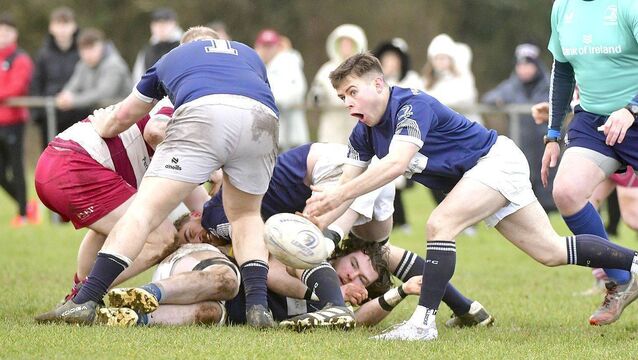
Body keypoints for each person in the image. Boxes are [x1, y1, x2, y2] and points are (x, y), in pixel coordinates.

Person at [303, 53, 638, 341]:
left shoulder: (409, 106)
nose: (347, 104)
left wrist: (340, 194)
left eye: (351, 93)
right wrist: (315, 223)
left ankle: (421, 325)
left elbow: (396, 163)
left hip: (494, 162)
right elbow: (346, 184)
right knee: (550, 251)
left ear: (378, 85)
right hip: (482, 174)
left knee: (440, 224)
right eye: (342, 97)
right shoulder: (363, 132)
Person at [40, 26, 279, 328]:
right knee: (246, 216)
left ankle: (85, 299)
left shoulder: (173, 59)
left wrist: (105, 125)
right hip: (263, 118)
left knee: (144, 214)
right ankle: (258, 308)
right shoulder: (248, 54)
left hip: (202, 113)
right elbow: (256, 98)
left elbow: (130, 119)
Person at [176, 142, 493, 327]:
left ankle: (332, 286)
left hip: (332, 173)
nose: (198, 237)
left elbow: (266, 263)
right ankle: (467, 308)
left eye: (192, 232)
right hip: (349, 173)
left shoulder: (219, 217)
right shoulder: (228, 218)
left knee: (313, 238)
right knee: (379, 251)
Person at [31, 101, 209, 320]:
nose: (201, 239)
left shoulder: (181, 100)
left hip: (53, 161)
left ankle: (77, 296)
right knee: (162, 237)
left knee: (115, 229)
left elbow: (202, 201)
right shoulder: (186, 103)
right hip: (75, 165)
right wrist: (208, 164)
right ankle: (84, 297)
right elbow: (154, 132)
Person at [542, 0, 638, 326]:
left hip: (634, 113)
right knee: (567, 192)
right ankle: (621, 279)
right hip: (593, 119)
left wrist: (631, 110)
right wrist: (553, 133)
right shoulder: (563, 7)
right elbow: (562, 69)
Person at [483, 43, 556, 213]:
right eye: (520, 65)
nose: (524, 69)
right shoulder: (511, 86)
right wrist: (497, 101)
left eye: (528, 64)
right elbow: (490, 97)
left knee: (548, 177)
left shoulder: (549, 84)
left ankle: (551, 207)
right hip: (521, 143)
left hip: (545, 142)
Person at [372, 38, 423, 234]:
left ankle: (400, 221)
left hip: (404, 137)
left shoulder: (412, 81)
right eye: (387, 59)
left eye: (394, 59)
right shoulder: (375, 84)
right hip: (381, 137)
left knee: (396, 180)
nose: (391, 63)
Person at [30, 7, 83, 148]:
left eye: (66, 24)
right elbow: (36, 83)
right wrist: (38, 115)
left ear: (74, 26)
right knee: (51, 161)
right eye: (58, 24)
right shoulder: (43, 54)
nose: (62, 29)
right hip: (50, 115)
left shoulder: (84, 51)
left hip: (79, 116)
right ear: (51, 27)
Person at [0, 13, 34, 227]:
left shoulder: (20, 58)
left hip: (14, 123)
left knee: (17, 167)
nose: (3, 35)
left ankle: (23, 214)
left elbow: (17, 87)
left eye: (7, 31)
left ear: (15, 34)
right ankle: (27, 206)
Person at [308, 24, 367, 144]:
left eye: (349, 43)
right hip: (332, 124)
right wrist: (317, 97)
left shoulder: (364, 70)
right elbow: (314, 98)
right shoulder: (326, 70)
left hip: (356, 122)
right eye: (342, 43)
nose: (345, 47)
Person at [55, 28, 131, 117]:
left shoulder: (114, 64)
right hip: (103, 118)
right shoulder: (83, 65)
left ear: (102, 46)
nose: (87, 54)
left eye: (91, 48)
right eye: (84, 50)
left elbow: (104, 93)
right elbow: (74, 84)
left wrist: (74, 100)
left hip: (124, 117)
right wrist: (65, 95)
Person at [254, 29, 309, 150]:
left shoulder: (288, 63)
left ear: (277, 47)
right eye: (264, 46)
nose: (267, 50)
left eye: (270, 46)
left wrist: (273, 101)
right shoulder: (257, 66)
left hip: (291, 134)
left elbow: (297, 90)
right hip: (268, 134)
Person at [131, 8, 182, 83]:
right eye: (157, 24)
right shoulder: (147, 51)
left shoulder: (184, 46)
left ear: (174, 24)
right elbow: (138, 80)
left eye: (165, 23)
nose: (161, 28)